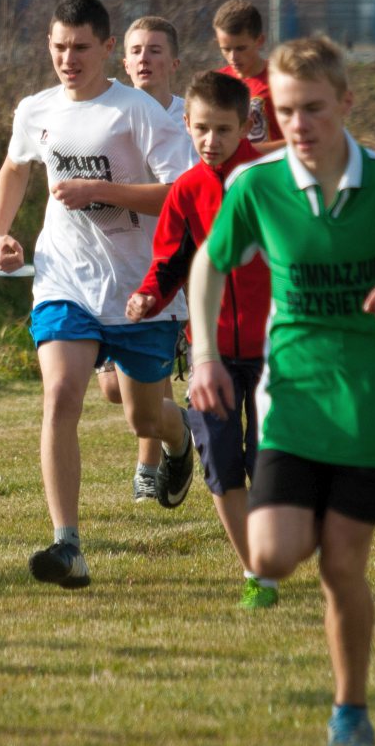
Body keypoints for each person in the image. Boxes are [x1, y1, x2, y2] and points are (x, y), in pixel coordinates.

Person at [187, 36, 375, 746]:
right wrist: (205, 357)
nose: (300, 124)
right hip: (294, 396)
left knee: (343, 564)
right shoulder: (257, 186)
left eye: (313, 108)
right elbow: (209, 264)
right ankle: (311, 505)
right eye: (286, 111)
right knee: (271, 556)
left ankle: (350, 710)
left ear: (345, 102)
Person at [0, 0, 197, 590]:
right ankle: (68, 544)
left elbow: (183, 194)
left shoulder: (138, 112)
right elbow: (15, 167)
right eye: (59, 47)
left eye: (81, 47)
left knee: (142, 416)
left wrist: (98, 191)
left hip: (141, 288)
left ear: (107, 48)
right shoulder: (35, 109)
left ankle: (180, 437)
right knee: (60, 397)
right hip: (65, 279)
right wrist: (0, 234)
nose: (68, 58)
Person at [127, 70, 276, 608]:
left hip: (275, 349)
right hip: (209, 350)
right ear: (186, 123)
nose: (211, 141)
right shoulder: (186, 191)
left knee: (267, 464)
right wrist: (149, 295)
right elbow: (170, 261)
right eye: (202, 129)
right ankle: (256, 573)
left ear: (247, 125)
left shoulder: (270, 182)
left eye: (223, 130)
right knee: (220, 460)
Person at [109, 15, 192, 502]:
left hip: (165, 267)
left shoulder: (187, 120)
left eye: (155, 50)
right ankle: (180, 428)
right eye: (137, 51)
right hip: (108, 265)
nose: (145, 59)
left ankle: (149, 466)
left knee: (148, 376)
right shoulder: (108, 112)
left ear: (174, 62)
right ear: (124, 61)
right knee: (113, 390)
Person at [212, 0, 284, 154]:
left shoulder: (281, 80)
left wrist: (247, 153)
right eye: (226, 49)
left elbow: (298, 141)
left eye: (241, 48)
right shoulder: (216, 83)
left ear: (259, 41)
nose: (233, 57)